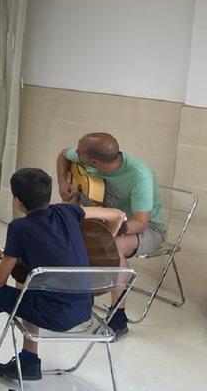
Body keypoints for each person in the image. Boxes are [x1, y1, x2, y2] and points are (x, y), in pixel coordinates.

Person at [0, 168, 126, 387]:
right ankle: (28, 359)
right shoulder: (68, 211)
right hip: (83, 309)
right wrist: (105, 241)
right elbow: (118, 215)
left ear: (17, 201)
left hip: (51, 314)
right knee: (26, 277)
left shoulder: (20, 227)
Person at [56, 132, 163, 338]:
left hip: (146, 228)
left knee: (111, 246)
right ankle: (73, 302)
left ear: (94, 161)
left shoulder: (139, 176)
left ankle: (118, 316)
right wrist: (62, 183)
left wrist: (111, 230)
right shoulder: (87, 157)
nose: (75, 154)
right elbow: (62, 156)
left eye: (79, 152)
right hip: (105, 217)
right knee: (64, 233)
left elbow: (141, 223)